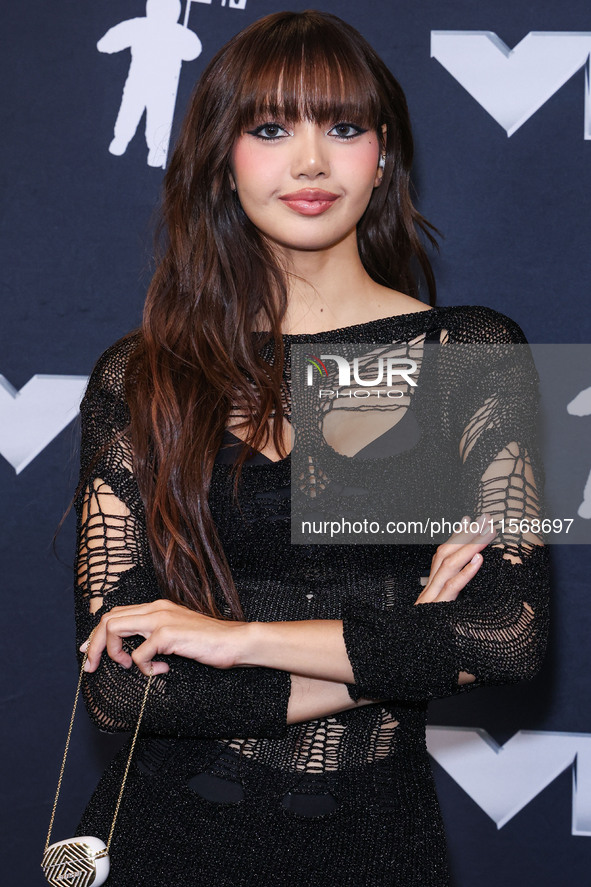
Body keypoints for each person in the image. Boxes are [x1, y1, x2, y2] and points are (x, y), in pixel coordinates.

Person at [70, 10, 550, 886]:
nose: (310, 162)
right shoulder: (145, 373)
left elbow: (506, 638)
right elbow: (125, 688)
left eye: (342, 127)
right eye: (269, 128)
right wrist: (410, 643)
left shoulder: (463, 352)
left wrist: (233, 636)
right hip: (162, 837)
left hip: (374, 839)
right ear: (222, 156)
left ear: (384, 156)